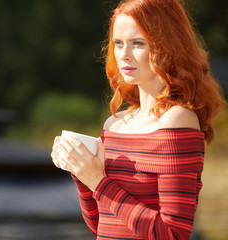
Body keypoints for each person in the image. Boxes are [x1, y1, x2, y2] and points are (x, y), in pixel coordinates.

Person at [51, 0, 225, 239]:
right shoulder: (113, 125)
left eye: (137, 43)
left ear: (167, 46)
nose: (124, 55)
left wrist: (98, 181)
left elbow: (173, 234)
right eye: (118, 43)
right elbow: (101, 225)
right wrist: (80, 170)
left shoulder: (177, 120)